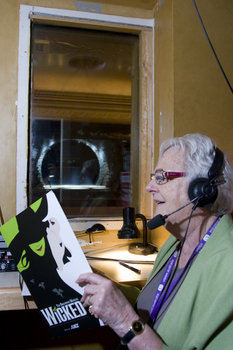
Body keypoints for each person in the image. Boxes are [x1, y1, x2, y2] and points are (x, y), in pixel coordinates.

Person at [76, 133, 233, 350]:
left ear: (202, 189)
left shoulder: (228, 267)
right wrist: (110, 289)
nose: (150, 186)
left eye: (161, 177)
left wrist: (124, 320)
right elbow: (156, 305)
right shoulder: (174, 242)